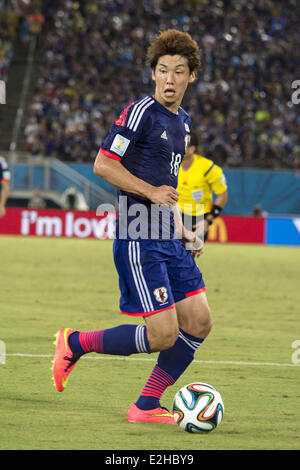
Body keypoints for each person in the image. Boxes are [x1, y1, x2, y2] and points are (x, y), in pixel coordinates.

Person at [52, 29, 213, 424]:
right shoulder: (140, 111)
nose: (169, 79)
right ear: (153, 73)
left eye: (179, 71)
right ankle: (75, 342)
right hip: (140, 237)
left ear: (192, 76)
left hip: (168, 237)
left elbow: (168, 188)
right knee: (163, 335)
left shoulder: (184, 123)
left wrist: (184, 229)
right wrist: (150, 192)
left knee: (199, 321)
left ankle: (145, 406)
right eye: (162, 70)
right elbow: (103, 164)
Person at [177, 132, 228, 241]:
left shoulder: (208, 168)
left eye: (182, 144)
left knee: (189, 253)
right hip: (176, 215)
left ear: (192, 149)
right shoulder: (171, 164)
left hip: (198, 218)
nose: (177, 146)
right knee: (169, 254)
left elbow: (222, 195)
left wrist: (208, 220)